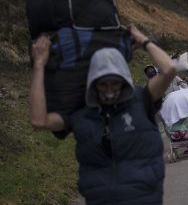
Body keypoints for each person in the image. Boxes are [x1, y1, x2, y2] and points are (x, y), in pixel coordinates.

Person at [29, 24, 176, 205]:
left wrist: (143, 40)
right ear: (93, 83)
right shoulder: (79, 114)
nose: (109, 90)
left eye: (114, 83)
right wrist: (39, 65)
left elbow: (169, 69)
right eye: (103, 84)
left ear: (123, 82)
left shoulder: (141, 100)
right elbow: (39, 120)